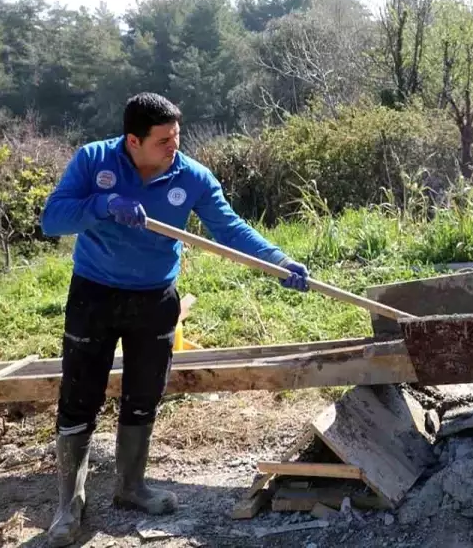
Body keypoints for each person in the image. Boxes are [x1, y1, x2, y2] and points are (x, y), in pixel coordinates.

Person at [38, 92, 311, 547]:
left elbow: (229, 228)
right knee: (79, 397)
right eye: (163, 140)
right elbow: (52, 219)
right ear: (133, 141)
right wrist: (103, 205)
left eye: (176, 137)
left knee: (144, 394)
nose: (173, 147)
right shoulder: (93, 160)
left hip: (155, 298)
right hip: (94, 295)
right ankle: (69, 504)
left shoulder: (191, 176)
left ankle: (131, 487)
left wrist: (277, 261)